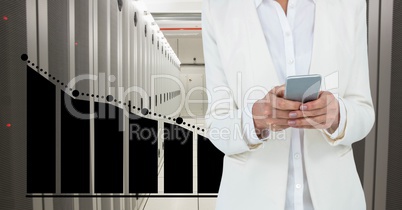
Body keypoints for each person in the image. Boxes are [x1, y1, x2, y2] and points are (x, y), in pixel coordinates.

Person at [202, 0, 375, 209]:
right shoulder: (217, 8)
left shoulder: (349, 5)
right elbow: (217, 126)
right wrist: (255, 120)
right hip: (250, 199)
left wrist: (337, 115)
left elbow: (364, 111)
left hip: (336, 198)